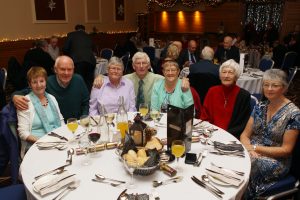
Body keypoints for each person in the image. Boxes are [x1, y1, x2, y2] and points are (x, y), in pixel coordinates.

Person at [240, 69, 300, 199]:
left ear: (284, 88)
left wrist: (254, 149)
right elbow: (244, 135)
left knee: (243, 166)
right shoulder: (260, 106)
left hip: (277, 161)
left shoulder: (294, 114)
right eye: (266, 85)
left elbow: (286, 150)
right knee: (233, 156)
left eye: (275, 85)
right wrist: (249, 149)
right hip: (252, 152)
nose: (269, 89)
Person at [93, 52, 190, 110]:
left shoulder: (158, 79)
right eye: (138, 63)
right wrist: (100, 76)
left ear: (149, 65)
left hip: (152, 116)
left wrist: (183, 80)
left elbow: (172, 77)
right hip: (132, 116)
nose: (141, 66)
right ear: (133, 66)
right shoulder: (126, 79)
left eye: (144, 63)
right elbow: (113, 74)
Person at [13, 56, 89, 121]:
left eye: (69, 69)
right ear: (55, 69)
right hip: (58, 126)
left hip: (78, 124)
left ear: (73, 70)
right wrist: (15, 96)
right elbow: (26, 91)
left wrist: (83, 118)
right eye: (62, 69)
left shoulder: (78, 79)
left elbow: (86, 102)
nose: (66, 73)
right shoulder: (47, 82)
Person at [17, 67, 64, 158]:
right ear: (29, 84)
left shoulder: (52, 98)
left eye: (41, 81)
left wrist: (63, 137)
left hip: (56, 141)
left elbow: (61, 121)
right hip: (35, 145)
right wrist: (44, 141)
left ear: (46, 82)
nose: (39, 85)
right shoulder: (25, 102)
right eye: (34, 82)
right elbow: (23, 133)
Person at [201, 59, 251, 138]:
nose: (226, 76)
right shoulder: (212, 91)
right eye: (224, 72)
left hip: (232, 137)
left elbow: (242, 124)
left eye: (230, 73)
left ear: (236, 76)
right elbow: (204, 116)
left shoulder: (244, 96)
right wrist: (209, 132)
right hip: (210, 134)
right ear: (220, 75)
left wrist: (223, 135)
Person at [63, 24, 96, 91]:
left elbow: (65, 49)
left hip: (78, 61)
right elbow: (93, 49)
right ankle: (88, 98)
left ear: (76, 29)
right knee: (89, 82)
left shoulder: (71, 34)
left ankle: (79, 98)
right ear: (84, 30)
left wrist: (69, 57)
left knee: (78, 81)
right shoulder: (88, 35)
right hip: (90, 61)